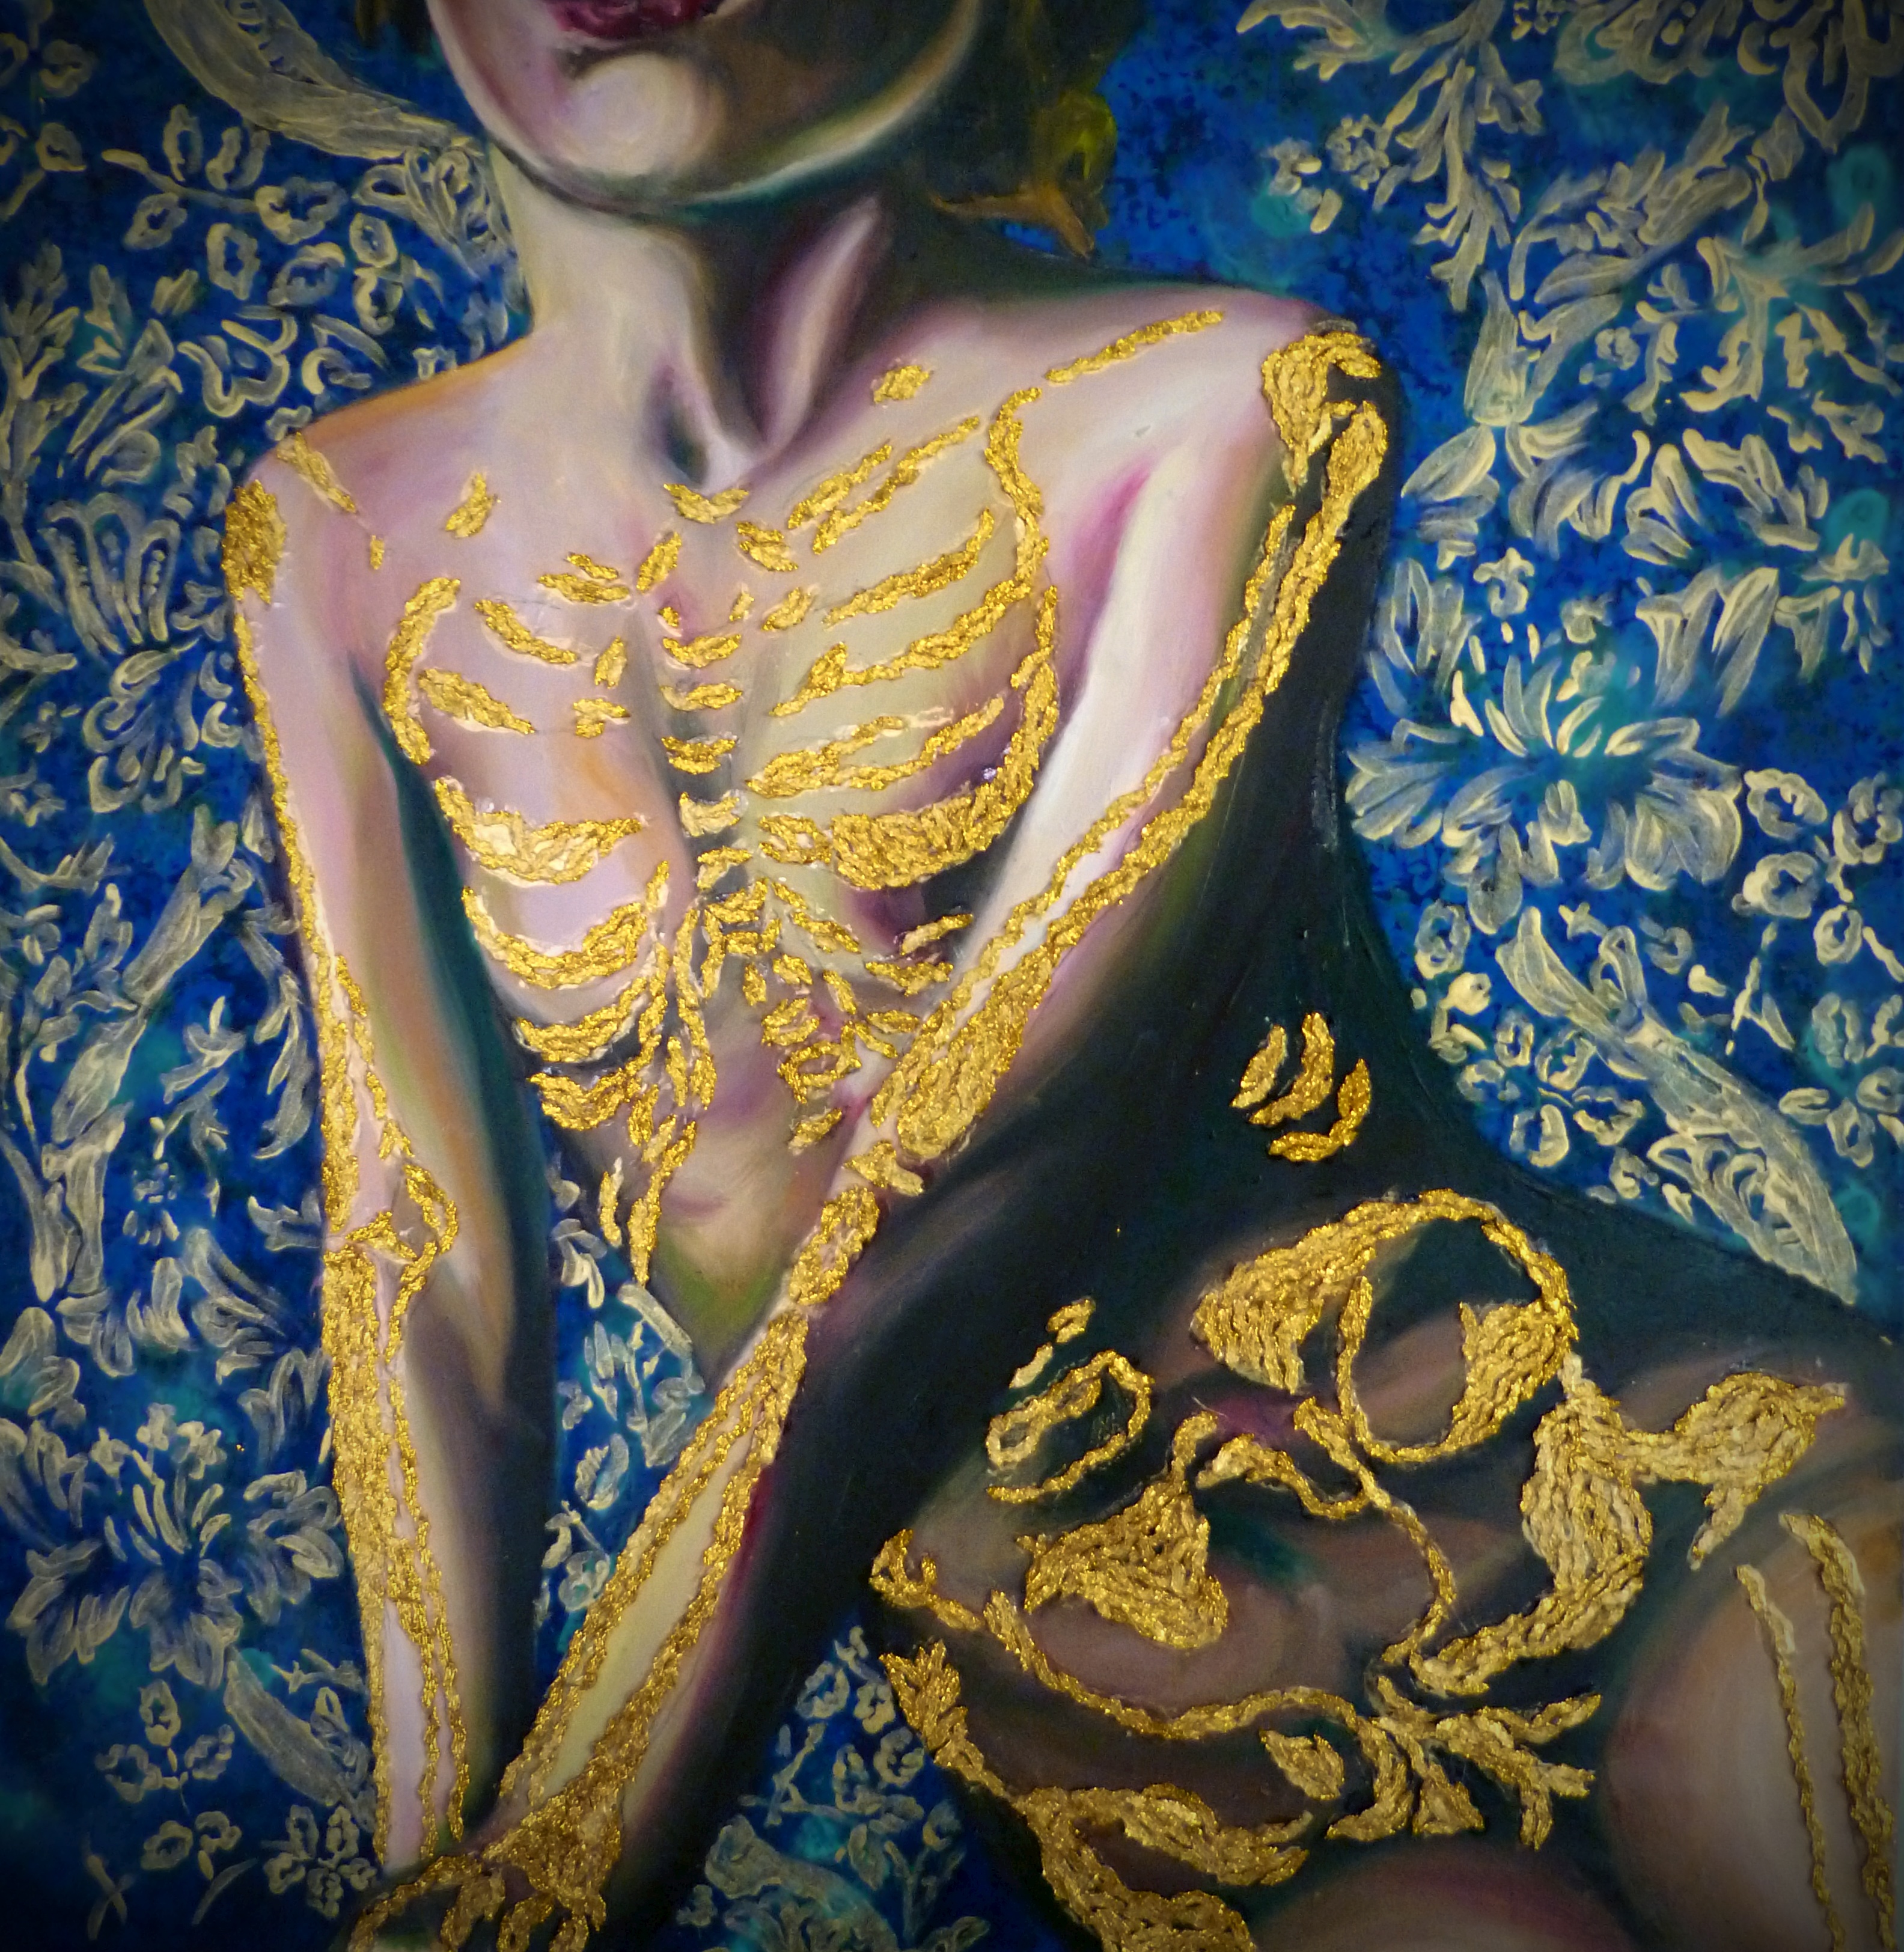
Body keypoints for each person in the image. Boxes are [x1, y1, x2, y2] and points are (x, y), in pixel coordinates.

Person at [222, 1, 1899, 1947]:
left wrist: (581, 1836)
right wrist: (437, 1862)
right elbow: (424, 1259)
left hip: (1645, 1486)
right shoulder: (334, 536)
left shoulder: (1229, 405)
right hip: (1138, 1744)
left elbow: (969, 1172)